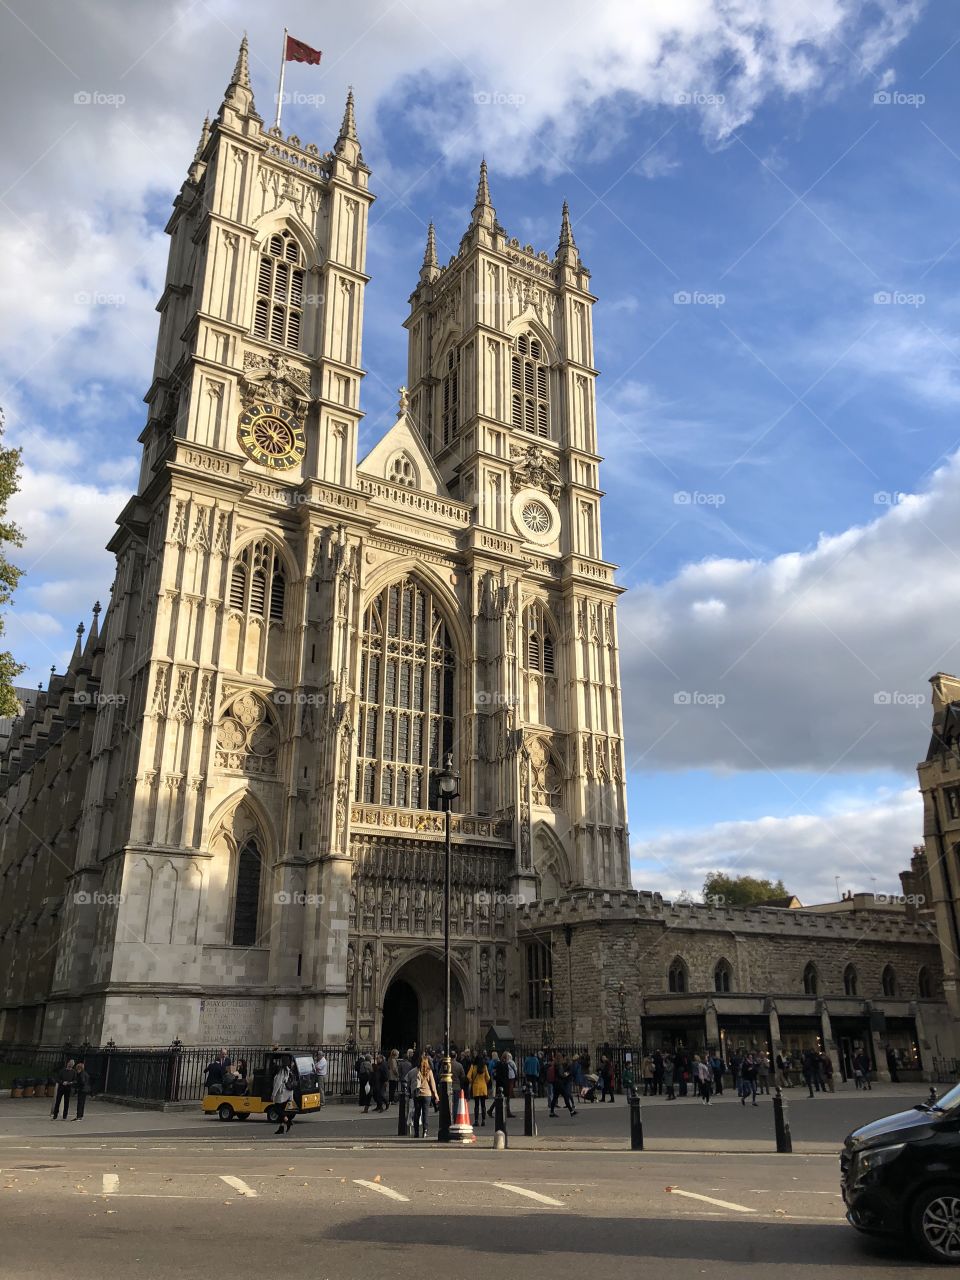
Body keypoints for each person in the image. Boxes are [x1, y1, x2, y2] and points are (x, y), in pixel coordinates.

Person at [412, 1054, 439, 1138]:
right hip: (427, 1094)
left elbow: (411, 1080)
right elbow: (433, 1084)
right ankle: (425, 1132)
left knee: (417, 1113)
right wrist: (436, 1095)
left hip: (418, 1094)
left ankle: (416, 1132)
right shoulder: (429, 1071)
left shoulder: (416, 1070)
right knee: (425, 1114)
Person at [271, 1056, 295, 1135]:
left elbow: (278, 1083)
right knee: (283, 1110)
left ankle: (287, 1121)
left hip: (282, 1093)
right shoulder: (288, 1070)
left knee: (276, 1108)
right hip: (288, 1093)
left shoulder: (281, 1071)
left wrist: (273, 1094)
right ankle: (281, 1128)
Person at [467, 1052, 491, 1126]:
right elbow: (488, 1078)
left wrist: (472, 1081)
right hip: (483, 1087)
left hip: (476, 1087)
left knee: (476, 1105)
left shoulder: (473, 1067)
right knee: (483, 1105)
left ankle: (476, 1120)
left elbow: (468, 1076)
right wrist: (485, 1082)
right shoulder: (484, 1067)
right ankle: (483, 1120)